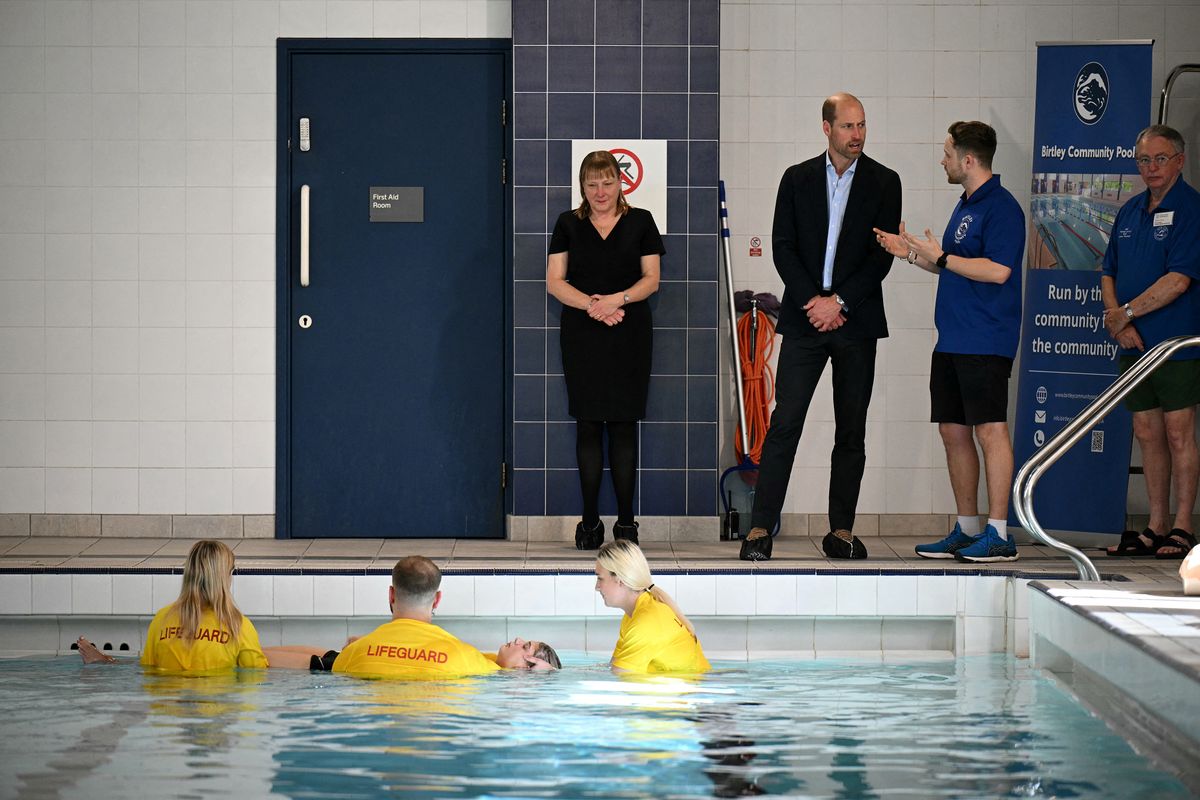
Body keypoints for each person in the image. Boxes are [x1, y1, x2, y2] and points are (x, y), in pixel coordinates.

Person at [741, 92, 902, 561]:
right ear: (826, 127)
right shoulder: (796, 179)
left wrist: (841, 302)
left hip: (857, 321)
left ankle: (841, 531)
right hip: (806, 320)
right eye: (849, 126)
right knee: (784, 422)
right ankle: (759, 529)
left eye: (863, 126)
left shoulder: (884, 181)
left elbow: (880, 258)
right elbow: (782, 246)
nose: (858, 135)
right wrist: (815, 301)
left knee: (851, 430)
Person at [875, 121, 1026, 563]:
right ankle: (968, 527)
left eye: (946, 152)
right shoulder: (965, 205)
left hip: (987, 338)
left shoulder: (1002, 208)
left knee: (990, 430)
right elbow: (955, 266)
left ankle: (999, 533)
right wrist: (912, 254)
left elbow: (999, 270)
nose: (942, 160)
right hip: (953, 339)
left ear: (968, 159)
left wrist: (940, 255)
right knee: (952, 431)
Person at [547, 150, 664, 550]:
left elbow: (651, 279)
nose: (600, 191)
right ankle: (590, 521)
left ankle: (627, 523)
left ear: (621, 183)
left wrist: (618, 300)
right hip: (583, 335)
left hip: (629, 333)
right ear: (582, 186)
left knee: (624, 425)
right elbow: (555, 282)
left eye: (608, 182)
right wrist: (595, 307)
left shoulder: (641, 221)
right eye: (592, 184)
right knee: (588, 424)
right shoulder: (567, 224)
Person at [1100, 124, 1200, 560]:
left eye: (1160, 159)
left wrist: (1128, 312)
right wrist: (1117, 322)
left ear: (1179, 160)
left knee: (1179, 433)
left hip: (1177, 344)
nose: (1151, 168)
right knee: (1146, 432)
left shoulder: (1191, 209)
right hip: (1134, 344)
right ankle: (1155, 525)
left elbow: (1178, 280)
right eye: (1143, 160)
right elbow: (1108, 271)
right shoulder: (1131, 210)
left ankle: (1182, 525)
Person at [277, 556, 560, 676]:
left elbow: (339, 657)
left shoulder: (360, 651)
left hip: (359, 662)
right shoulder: (466, 659)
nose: (519, 640)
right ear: (437, 599)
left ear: (391, 595)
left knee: (327, 660)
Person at [77, 539, 268, 671]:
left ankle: (105, 662)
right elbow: (256, 677)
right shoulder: (238, 627)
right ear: (224, 577)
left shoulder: (162, 619)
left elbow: (148, 670)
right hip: (216, 711)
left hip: (168, 709)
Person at [594, 539, 709, 673]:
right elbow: (613, 667)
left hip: (689, 692)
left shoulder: (646, 622)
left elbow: (619, 679)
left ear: (620, 580)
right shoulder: (634, 614)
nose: (597, 587)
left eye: (600, 578)